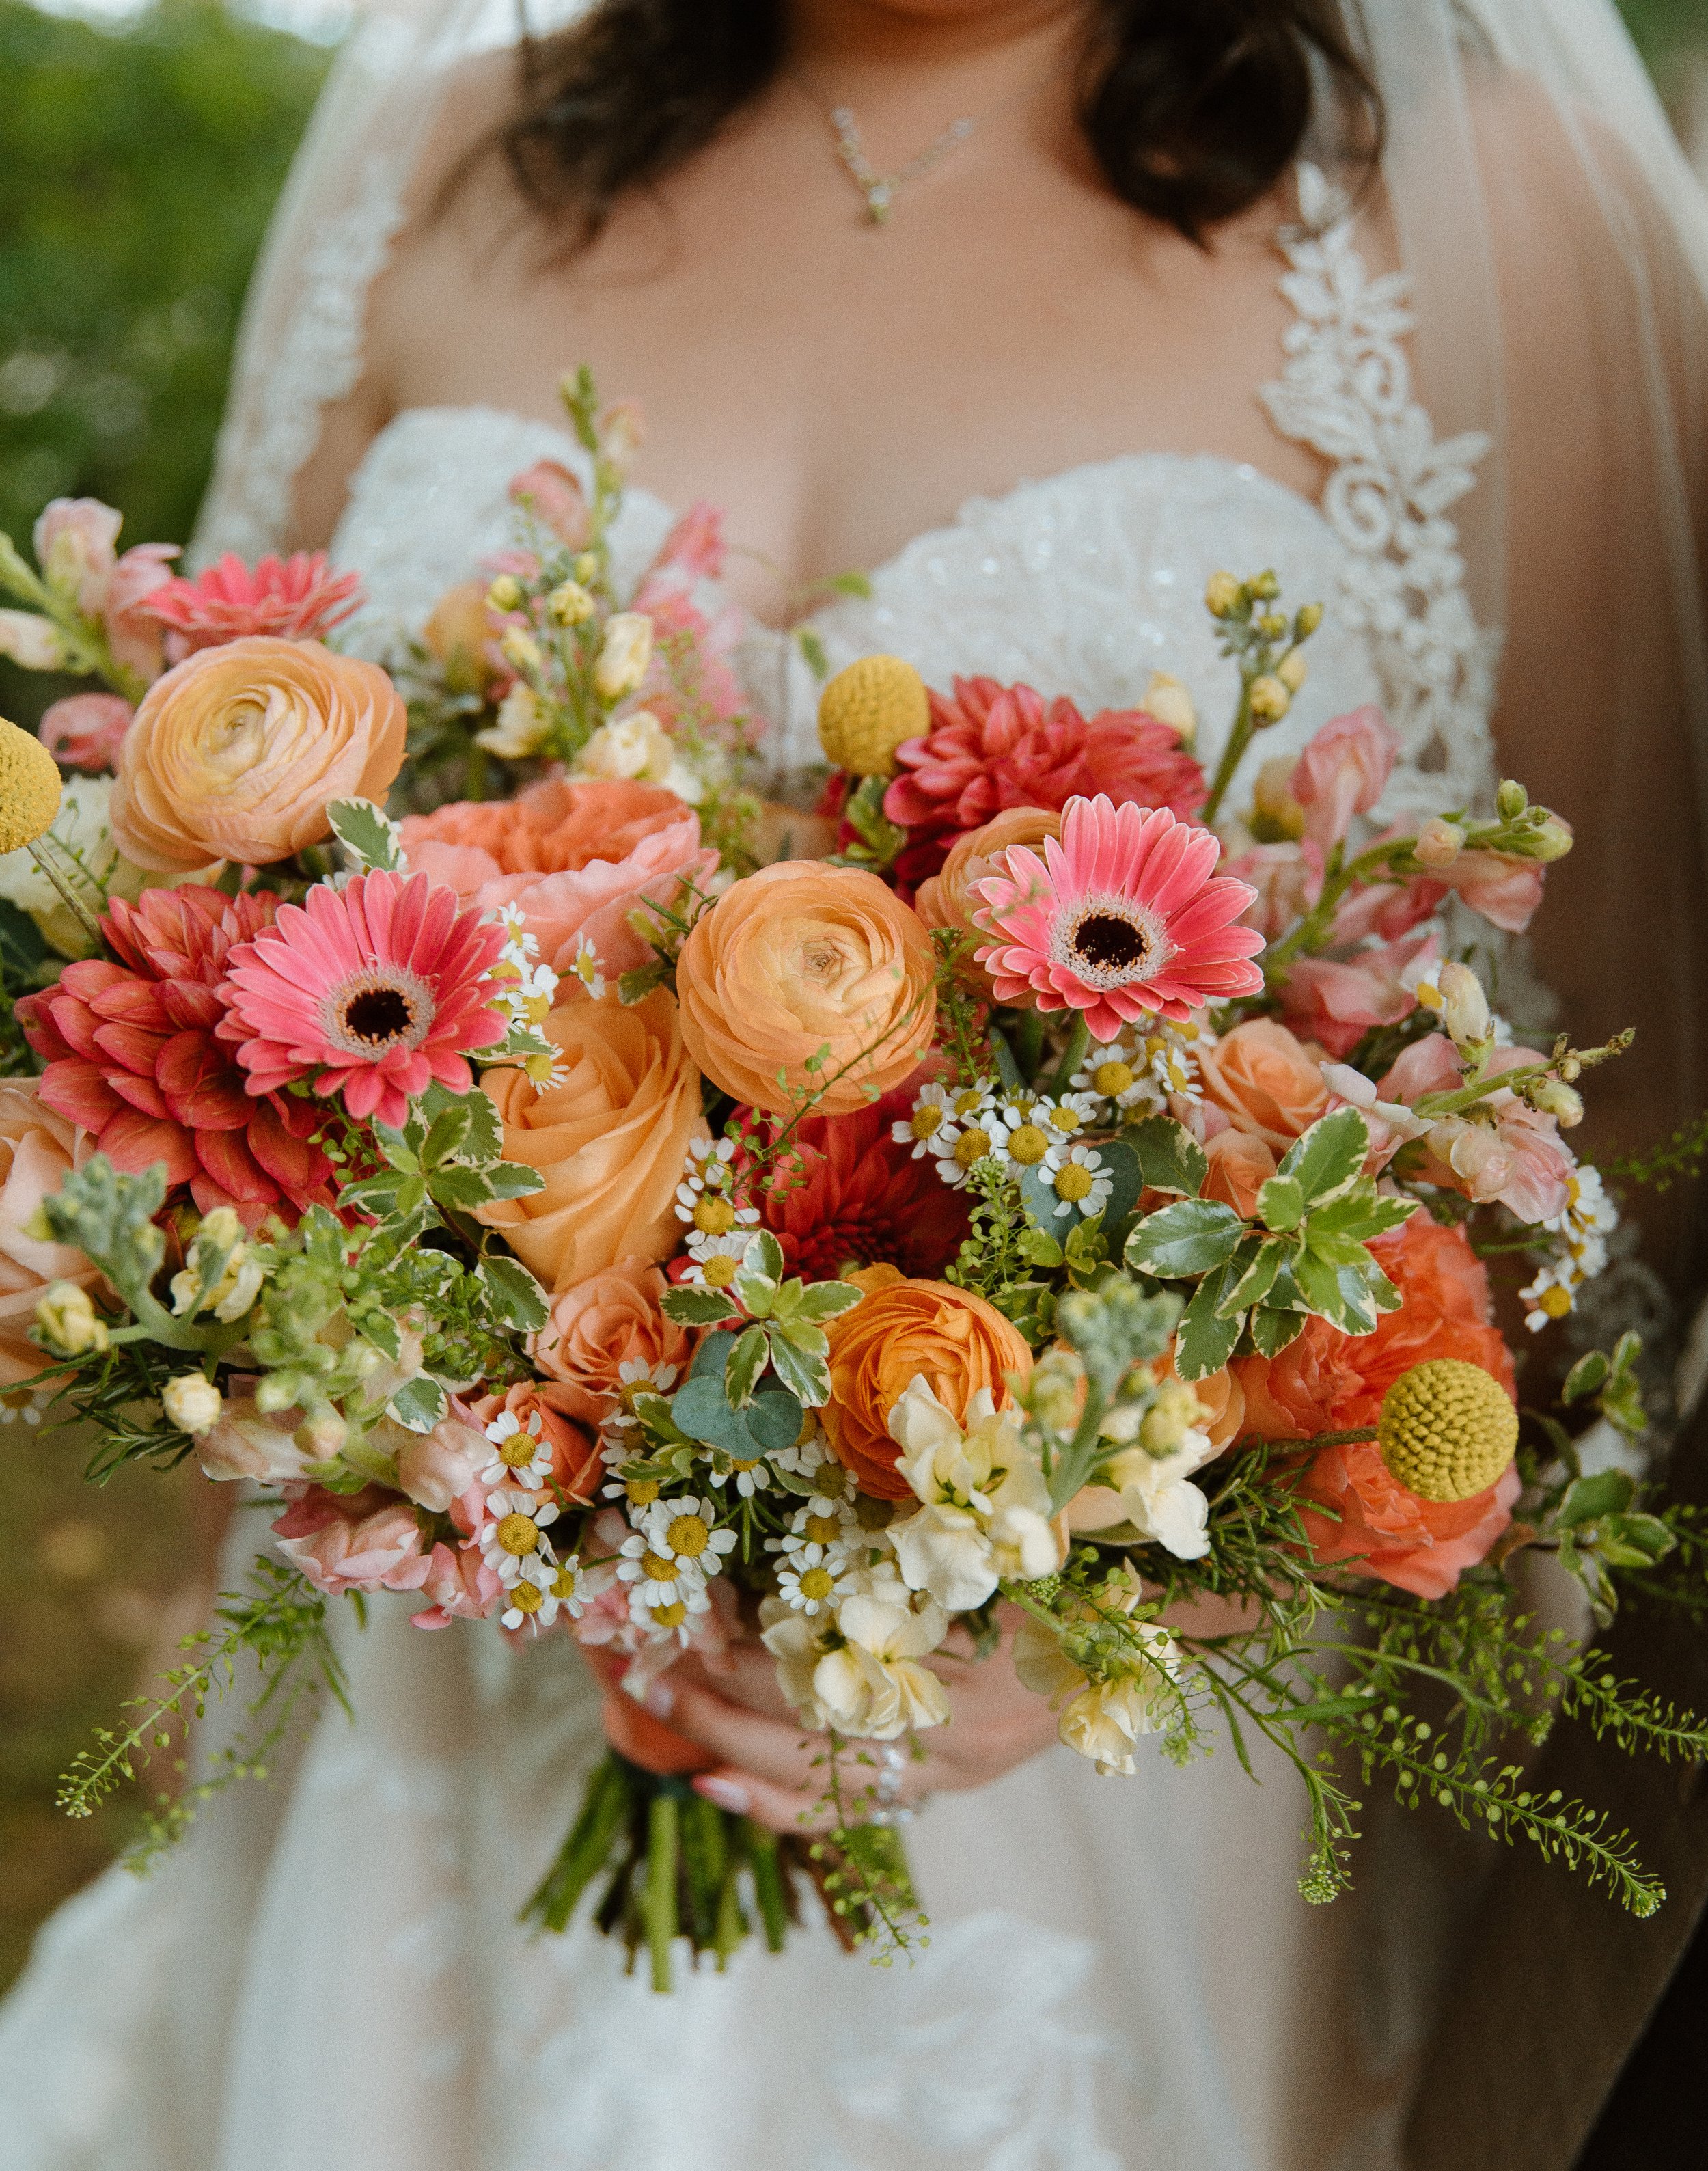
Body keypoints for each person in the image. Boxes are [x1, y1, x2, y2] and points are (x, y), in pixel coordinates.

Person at [2, 3, 1706, 2166]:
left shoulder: (1489, 205)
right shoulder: (443, 155)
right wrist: (356, 1390)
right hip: (453, 1700)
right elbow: (201, 904)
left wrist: (1118, 1591)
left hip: (1106, 1814)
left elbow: (1614, 1131)